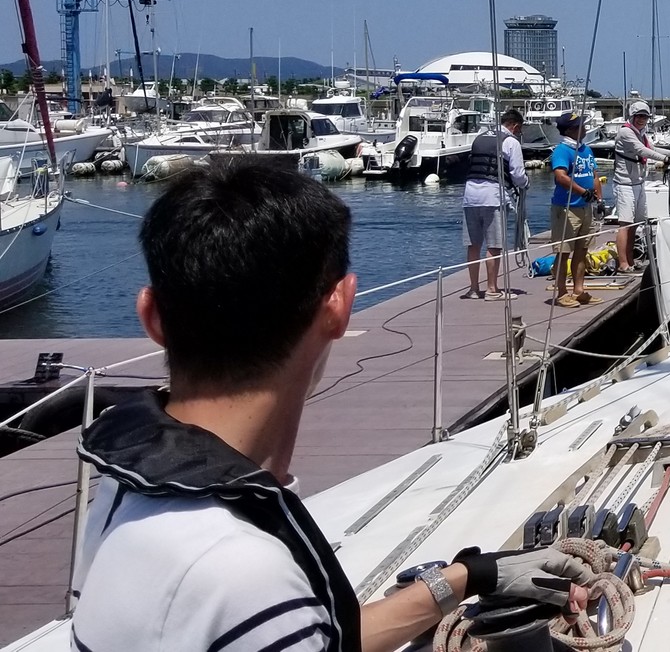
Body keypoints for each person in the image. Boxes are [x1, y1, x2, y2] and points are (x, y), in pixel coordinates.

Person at [71, 157, 590, 652]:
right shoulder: (243, 571)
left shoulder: (124, 492)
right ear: (340, 306)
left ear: (152, 316)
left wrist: (469, 577)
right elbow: (265, 613)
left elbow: (311, 635)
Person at [462, 108, 529, 300]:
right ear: (515, 126)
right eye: (520, 129)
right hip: (493, 196)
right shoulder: (510, 141)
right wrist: (526, 184)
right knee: (494, 245)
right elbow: (517, 174)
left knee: (473, 245)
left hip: (470, 195)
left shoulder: (479, 138)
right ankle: (492, 289)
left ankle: (474, 289)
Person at [609, 101, 670, 272]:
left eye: (644, 117)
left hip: (638, 183)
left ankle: (630, 259)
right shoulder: (626, 132)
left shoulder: (641, 133)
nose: (641, 119)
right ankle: (623, 263)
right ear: (632, 116)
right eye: (638, 116)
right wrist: (665, 159)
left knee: (634, 224)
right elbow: (642, 151)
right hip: (625, 184)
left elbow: (652, 148)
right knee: (625, 224)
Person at [547, 111, 601, 307]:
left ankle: (579, 290)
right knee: (563, 252)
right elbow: (561, 176)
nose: (585, 128)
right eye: (580, 126)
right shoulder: (562, 151)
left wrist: (599, 198)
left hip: (586, 207)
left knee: (582, 250)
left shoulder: (586, 150)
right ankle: (562, 292)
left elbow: (594, 175)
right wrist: (582, 192)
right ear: (570, 130)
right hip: (567, 208)